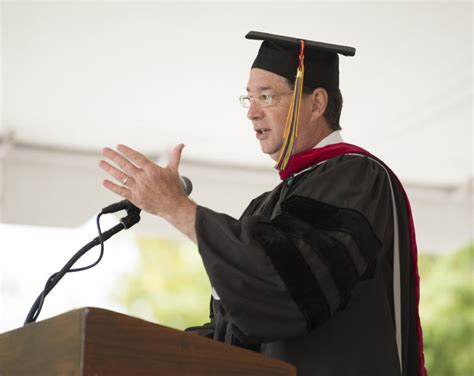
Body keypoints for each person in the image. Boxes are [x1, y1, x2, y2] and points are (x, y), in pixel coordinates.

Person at [99, 31, 427, 376]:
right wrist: (140, 355)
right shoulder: (263, 205)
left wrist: (176, 207)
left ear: (316, 103)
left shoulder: (358, 176)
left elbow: (286, 287)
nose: (252, 113)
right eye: (249, 98)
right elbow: (233, 334)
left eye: (267, 96)